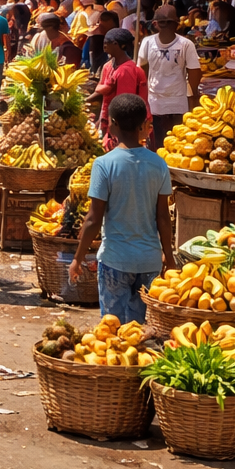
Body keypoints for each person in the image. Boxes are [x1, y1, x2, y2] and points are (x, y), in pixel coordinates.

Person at [70, 93, 173, 323]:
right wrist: (170, 258)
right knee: (140, 333)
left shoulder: (104, 164)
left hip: (116, 261)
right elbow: (163, 218)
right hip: (149, 262)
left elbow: (93, 219)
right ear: (143, 126)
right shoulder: (159, 164)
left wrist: (77, 258)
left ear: (113, 124)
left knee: (113, 333)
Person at [136, 5, 202, 152]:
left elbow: (194, 73)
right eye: (163, 23)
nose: (165, 27)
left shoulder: (186, 44)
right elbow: (142, 72)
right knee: (168, 146)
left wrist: (193, 96)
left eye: (167, 23)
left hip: (176, 103)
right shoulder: (148, 42)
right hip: (156, 104)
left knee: (170, 146)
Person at [89, 29, 148, 149]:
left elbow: (124, 106)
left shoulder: (126, 70)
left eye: (108, 42)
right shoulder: (108, 66)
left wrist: (114, 127)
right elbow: (100, 88)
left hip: (125, 126)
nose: (104, 44)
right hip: (110, 121)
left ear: (118, 44)